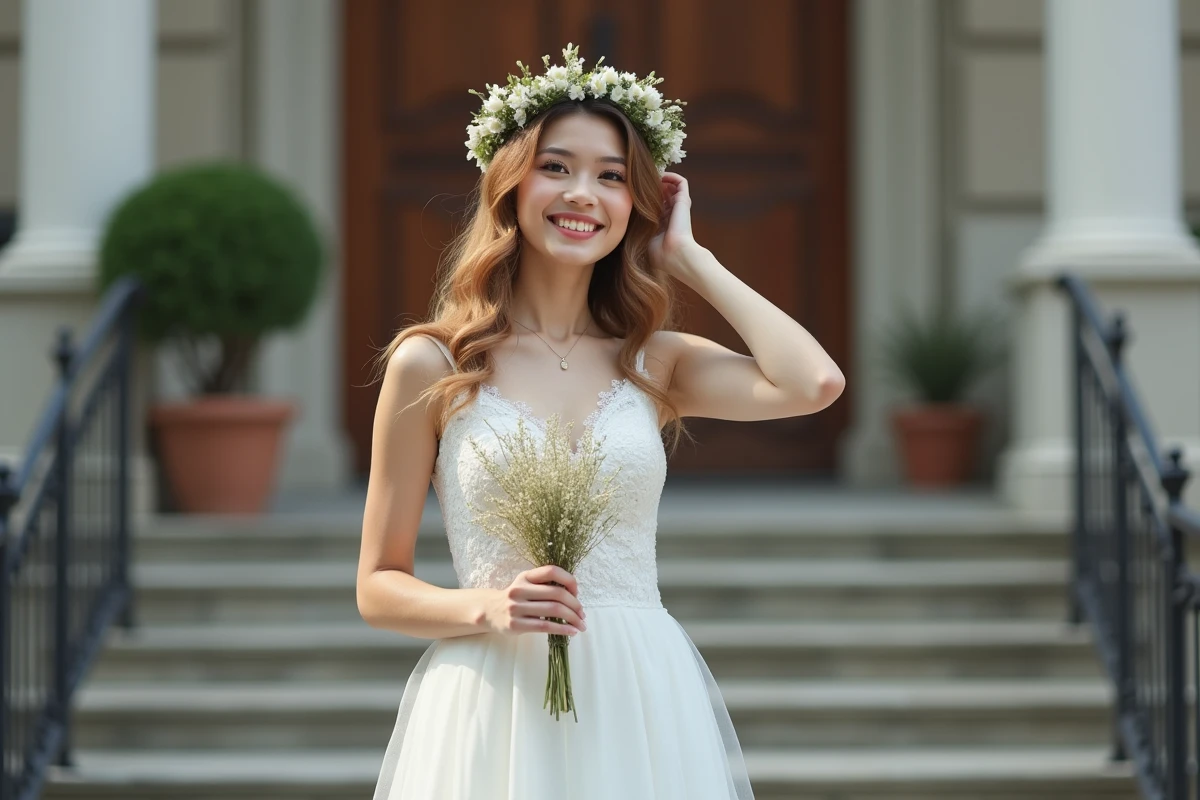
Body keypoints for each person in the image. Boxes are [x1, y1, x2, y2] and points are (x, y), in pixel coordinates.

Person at [357, 45, 844, 800]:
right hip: (494, 697)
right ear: (511, 184)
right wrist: (484, 606)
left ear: (637, 203)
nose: (583, 193)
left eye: (612, 176)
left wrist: (691, 257)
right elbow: (377, 587)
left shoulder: (656, 362)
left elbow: (813, 382)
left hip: (640, 696)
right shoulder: (432, 363)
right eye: (557, 167)